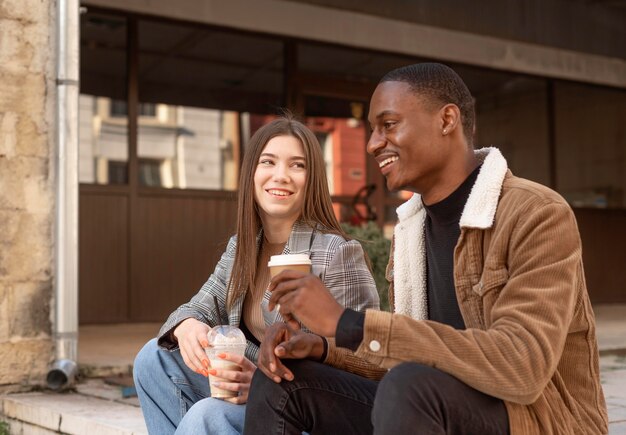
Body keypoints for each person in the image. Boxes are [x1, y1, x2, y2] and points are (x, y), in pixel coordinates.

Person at [244, 63, 609, 435]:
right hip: (435, 406)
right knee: (286, 380)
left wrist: (346, 322)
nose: (372, 144)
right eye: (372, 130)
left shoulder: (536, 213)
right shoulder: (411, 232)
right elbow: (418, 351)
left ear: (447, 119)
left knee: (408, 387)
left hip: (538, 421)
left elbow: (522, 366)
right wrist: (322, 348)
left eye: (388, 125)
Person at [133, 115, 380, 435]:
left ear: (313, 179)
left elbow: (364, 360)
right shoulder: (242, 247)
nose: (281, 176)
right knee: (153, 360)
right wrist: (186, 325)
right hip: (249, 396)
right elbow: (200, 305)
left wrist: (268, 384)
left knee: (208, 416)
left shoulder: (336, 253)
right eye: (269, 162)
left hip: (306, 413)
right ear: (251, 173)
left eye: (297, 165)